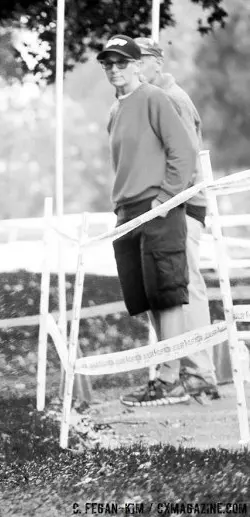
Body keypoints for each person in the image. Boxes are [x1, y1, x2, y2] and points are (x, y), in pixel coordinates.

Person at [97, 35, 198, 407]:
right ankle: (164, 376)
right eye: (108, 63)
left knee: (168, 296)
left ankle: (172, 380)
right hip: (128, 213)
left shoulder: (155, 98)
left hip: (158, 209)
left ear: (138, 64)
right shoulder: (116, 109)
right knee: (148, 298)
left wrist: (164, 199)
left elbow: (184, 152)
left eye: (121, 62)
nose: (114, 69)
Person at [135, 37, 220, 399]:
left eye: (139, 62)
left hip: (183, 205)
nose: (132, 69)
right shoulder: (151, 99)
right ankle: (179, 372)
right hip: (168, 206)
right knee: (169, 291)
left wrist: (165, 202)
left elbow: (185, 160)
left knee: (187, 287)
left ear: (157, 62)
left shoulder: (170, 98)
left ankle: (200, 373)